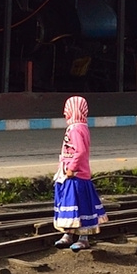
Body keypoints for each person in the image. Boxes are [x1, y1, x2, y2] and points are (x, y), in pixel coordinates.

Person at [52, 96, 107, 251]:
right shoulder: (80, 127)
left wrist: (72, 169)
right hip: (70, 174)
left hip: (75, 175)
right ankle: (68, 234)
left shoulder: (76, 128)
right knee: (72, 205)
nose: (65, 113)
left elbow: (80, 151)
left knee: (79, 206)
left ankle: (82, 238)